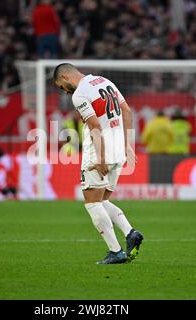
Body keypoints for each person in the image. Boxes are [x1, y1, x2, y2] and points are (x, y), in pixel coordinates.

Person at [53, 63, 143, 264]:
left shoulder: (80, 93)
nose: (65, 92)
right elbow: (127, 111)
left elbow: (94, 125)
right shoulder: (104, 81)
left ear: (66, 77)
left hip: (99, 150)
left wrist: (100, 158)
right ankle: (130, 233)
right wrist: (128, 146)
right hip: (118, 148)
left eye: (61, 86)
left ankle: (116, 251)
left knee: (92, 203)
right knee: (102, 200)